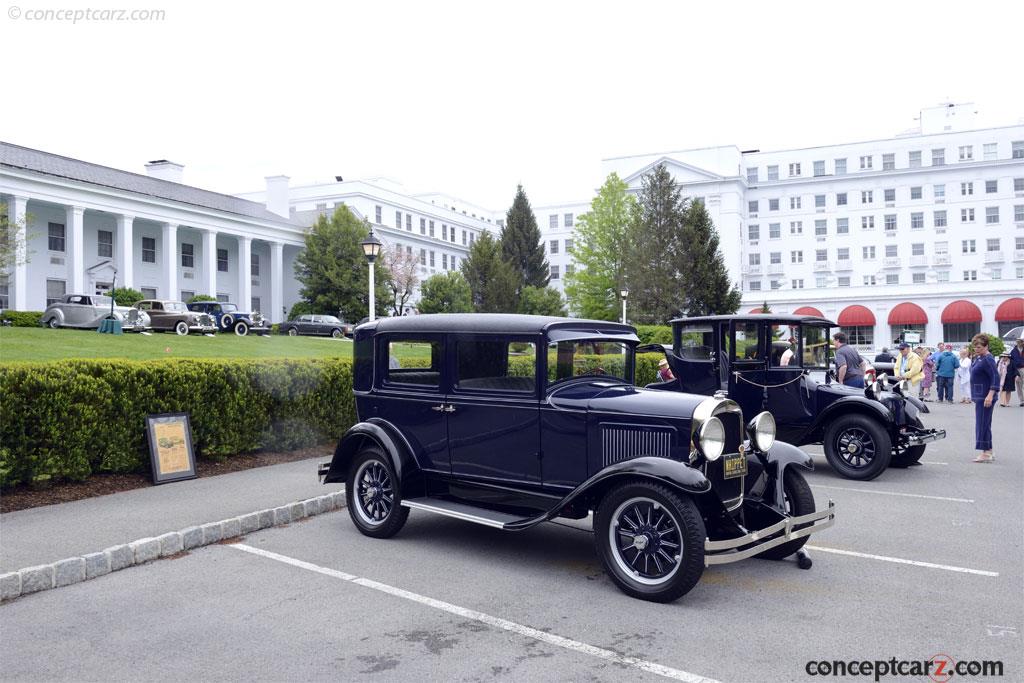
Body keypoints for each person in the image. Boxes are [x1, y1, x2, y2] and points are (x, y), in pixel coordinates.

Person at [969, 334, 1000, 463]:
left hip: (985, 396)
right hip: (980, 395)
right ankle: (989, 450)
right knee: (984, 423)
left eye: (980, 347)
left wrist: (990, 394)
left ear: (986, 346)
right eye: (975, 346)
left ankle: (986, 453)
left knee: (982, 424)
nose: (977, 349)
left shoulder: (988, 359)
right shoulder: (979, 358)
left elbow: (995, 377)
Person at [1010, 337, 1024, 407]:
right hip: (1017, 369)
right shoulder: (1013, 351)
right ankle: (1022, 401)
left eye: (1020, 341)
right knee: (1019, 386)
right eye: (1017, 342)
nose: (1019, 343)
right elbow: (1011, 361)